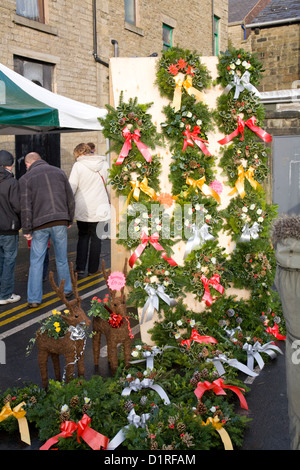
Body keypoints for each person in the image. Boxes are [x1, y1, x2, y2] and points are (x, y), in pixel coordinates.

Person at [19, 152, 75, 308]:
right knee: (62, 258)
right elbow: (69, 198)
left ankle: (34, 299)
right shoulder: (59, 172)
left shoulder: (25, 179)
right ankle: (66, 290)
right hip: (60, 220)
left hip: (39, 224)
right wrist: (69, 218)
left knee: (36, 261)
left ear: (28, 164)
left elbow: (26, 207)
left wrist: (27, 229)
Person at [69, 143, 110, 276]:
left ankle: (80, 267)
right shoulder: (104, 164)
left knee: (83, 237)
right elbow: (109, 187)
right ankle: (93, 269)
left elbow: (72, 188)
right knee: (97, 239)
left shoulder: (78, 166)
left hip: (83, 209)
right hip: (101, 208)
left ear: (78, 154)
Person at [0, 150, 21, 305]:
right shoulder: (12, 182)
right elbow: (18, 206)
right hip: (9, 228)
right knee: (9, 261)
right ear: (10, 165)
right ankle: (5, 294)